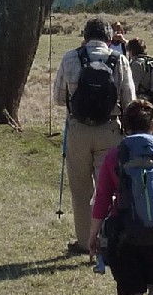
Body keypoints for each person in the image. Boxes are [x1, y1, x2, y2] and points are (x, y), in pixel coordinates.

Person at [52, 17, 136, 255]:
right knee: (109, 186)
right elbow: (129, 100)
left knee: (80, 189)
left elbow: (58, 98)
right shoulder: (119, 59)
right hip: (110, 129)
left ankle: (84, 242)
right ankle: (109, 238)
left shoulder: (70, 58)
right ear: (109, 38)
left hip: (78, 129)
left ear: (85, 36)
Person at [88, 99, 153, 295]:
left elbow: (102, 198)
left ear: (126, 126)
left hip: (124, 234)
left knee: (131, 292)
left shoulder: (115, 156)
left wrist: (93, 234)